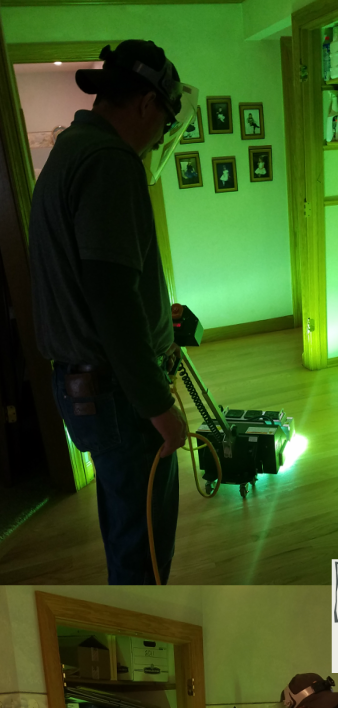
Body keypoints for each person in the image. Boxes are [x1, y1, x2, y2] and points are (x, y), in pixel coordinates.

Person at [28, 41, 189, 584]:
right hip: (117, 395)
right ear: (146, 103)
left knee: (126, 527)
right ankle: (146, 621)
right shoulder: (110, 162)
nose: (161, 135)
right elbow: (111, 296)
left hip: (88, 388)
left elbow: (98, 280)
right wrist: (159, 406)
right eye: (165, 120)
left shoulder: (71, 150)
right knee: (144, 547)